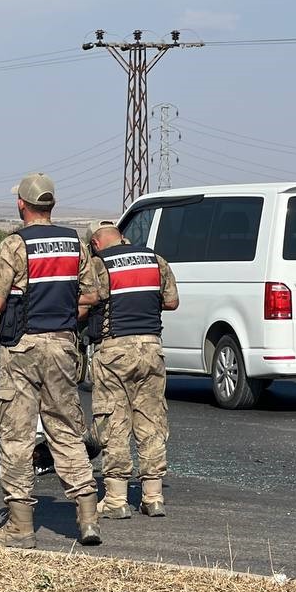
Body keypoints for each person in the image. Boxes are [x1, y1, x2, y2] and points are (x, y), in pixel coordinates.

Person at [0, 172, 102, 548]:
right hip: (64, 346)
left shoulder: (14, 245)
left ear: (22, 204)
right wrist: (66, 314)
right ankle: (87, 519)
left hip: (22, 349)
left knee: (16, 436)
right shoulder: (74, 243)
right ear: (52, 205)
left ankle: (20, 527)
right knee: (65, 431)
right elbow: (93, 294)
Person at [84, 219, 179, 519]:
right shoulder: (155, 259)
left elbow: (86, 301)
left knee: (114, 422)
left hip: (114, 350)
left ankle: (115, 500)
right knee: (151, 421)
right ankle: (153, 496)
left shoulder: (99, 264)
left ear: (96, 243)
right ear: (121, 237)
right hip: (152, 348)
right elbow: (172, 302)